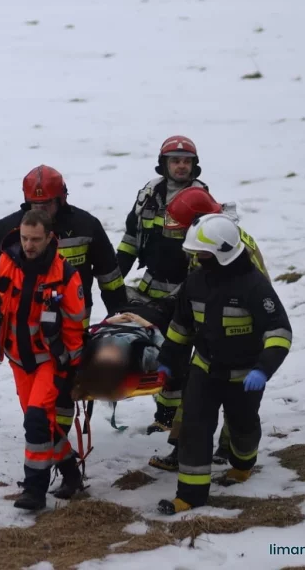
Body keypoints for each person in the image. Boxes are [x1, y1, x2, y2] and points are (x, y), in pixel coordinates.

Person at [0, 209, 87, 510]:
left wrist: (71, 364)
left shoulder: (65, 276)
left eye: (35, 239)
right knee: (42, 423)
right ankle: (72, 475)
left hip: (49, 362)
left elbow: (76, 326)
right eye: (24, 238)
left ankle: (34, 491)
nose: (29, 245)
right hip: (18, 360)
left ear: (50, 238)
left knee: (37, 418)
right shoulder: (1, 266)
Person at [154, 214, 292, 515]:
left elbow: (279, 333)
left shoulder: (254, 287)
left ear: (223, 253)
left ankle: (243, 464)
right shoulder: (195, 282)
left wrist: (262, 369)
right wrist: (166, 361)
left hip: (244, 377)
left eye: (202, 254)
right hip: (204, 371)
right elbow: (181, 327)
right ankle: (190, 495)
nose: (197, 259)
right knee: (194, 428)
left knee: (242, 427)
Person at [148, 186, 272, 470]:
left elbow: (252, 293)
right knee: (195, 393)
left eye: (181, 229)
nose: (178, 235)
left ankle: (230, 450)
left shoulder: (230, 246)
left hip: (240, 332)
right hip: (211, 329)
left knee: (236, 399)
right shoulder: (208, 239)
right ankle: (182, 451)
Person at [0, 165, 125, 362]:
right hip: (26, 334)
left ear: (60, 199)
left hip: (71, 329)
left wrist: (118, 313)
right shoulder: (16, 227)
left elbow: (110, 277)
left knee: (69, 384)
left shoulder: (86, 226)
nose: (39, 210)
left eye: (46, 204)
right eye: (34, 204)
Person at [115, 136, 209, 434]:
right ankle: (165, 415)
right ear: (164, 164)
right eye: (175, 160)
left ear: (194, 165)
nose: (181, 166)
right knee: (154, 353)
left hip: (186, 291)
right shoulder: (149, 194)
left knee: (177, 354)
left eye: (186, 161)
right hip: (150, 287)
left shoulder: (200, 200)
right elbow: (131, 239)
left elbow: (205, 257)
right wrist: (113, 278)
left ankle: (171, 418)